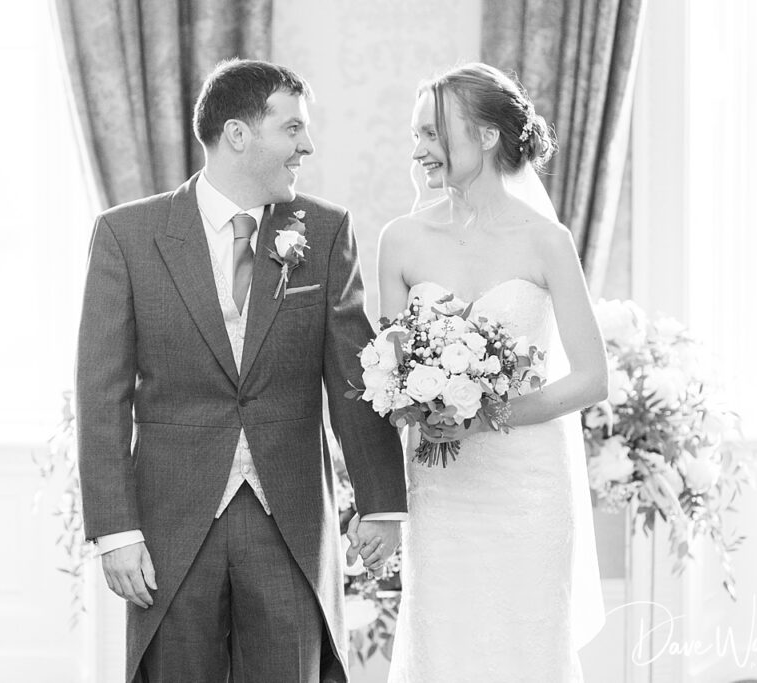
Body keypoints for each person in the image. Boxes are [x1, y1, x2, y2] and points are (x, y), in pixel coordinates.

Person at [75, 59, 406, 683]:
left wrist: (382, 502)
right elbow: (101, 394)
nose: (306, 145)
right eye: (292, 129)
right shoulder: (126, 234)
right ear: (237, 134)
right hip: (169, 523)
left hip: (288, 520)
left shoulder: (326, 230)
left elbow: (352, 377)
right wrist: (114, 529)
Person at [377, 63, 607, 682]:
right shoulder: (399, 241)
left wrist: (485, 417)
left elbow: (592, 378)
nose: (419, 148)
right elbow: (390, 374)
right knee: (446, 647)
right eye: (417, 134)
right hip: (442, 494)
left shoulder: (546, 241)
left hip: (528, 486)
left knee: (525, 646)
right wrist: (415, 402)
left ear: (485, 136)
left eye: (433, 133)